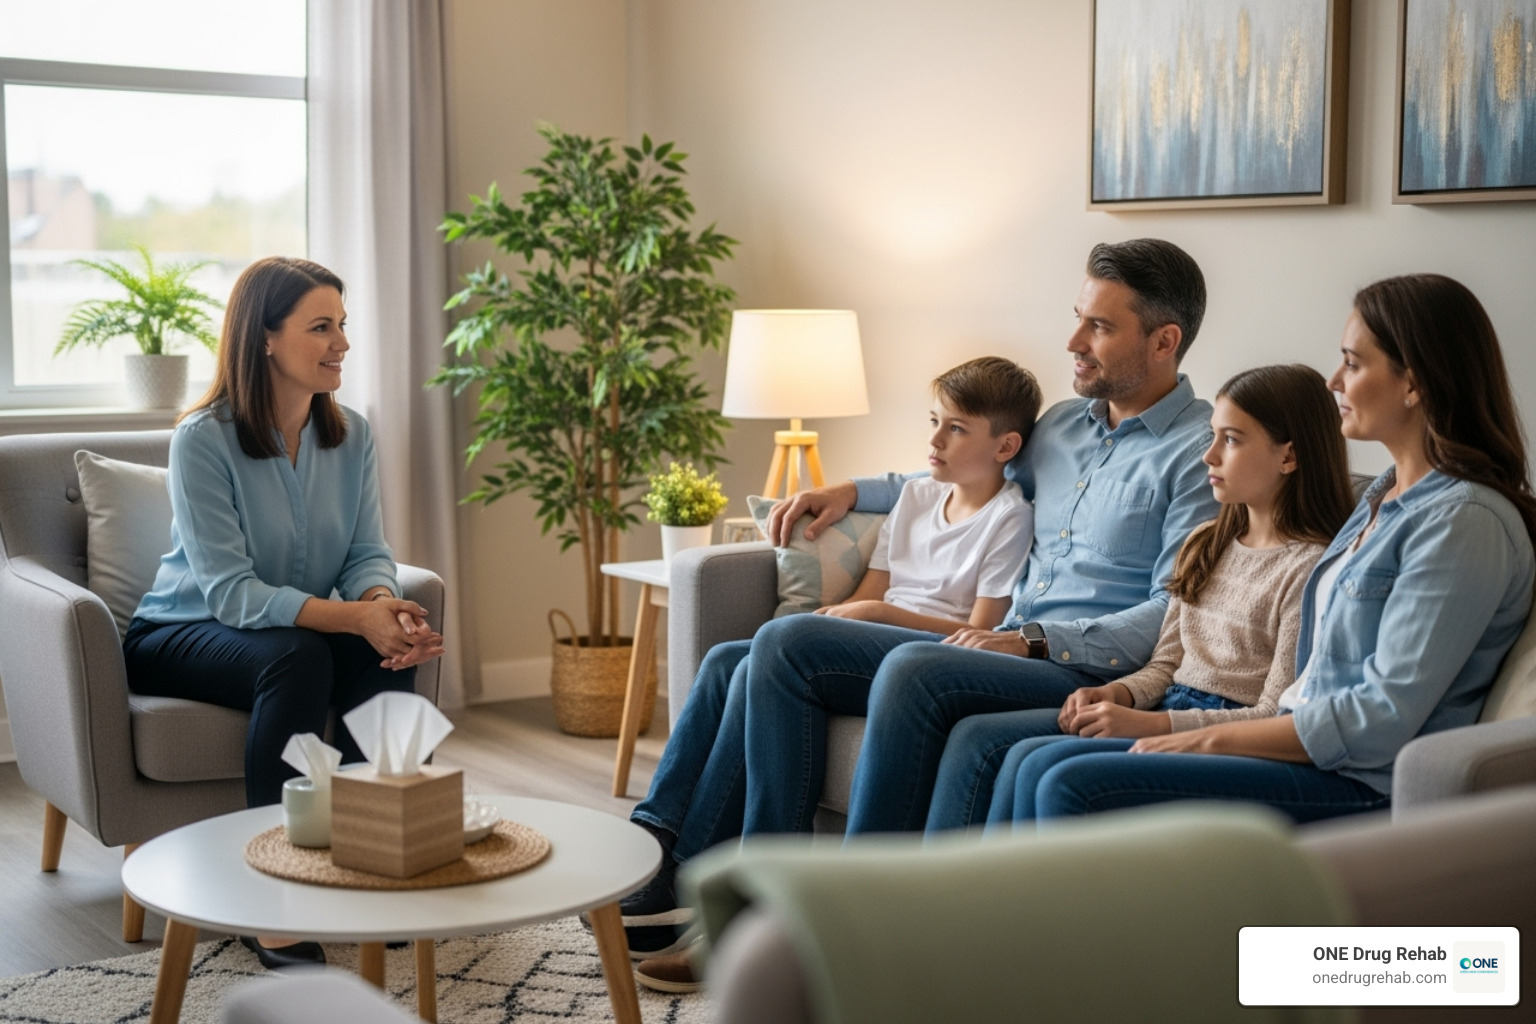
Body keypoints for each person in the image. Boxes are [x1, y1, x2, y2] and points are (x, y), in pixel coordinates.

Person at [622, 238, 1216, 965]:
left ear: (1164, 341)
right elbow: (952, 463)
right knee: (737, 660)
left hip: (1077, 666)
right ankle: (674, 868)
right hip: (1007, 649)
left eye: (1099, 327)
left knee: (811, 647)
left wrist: (1032, 639)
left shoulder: (1202, 451)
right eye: (1078, 319)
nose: (1073, 342)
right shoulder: (1063, 425)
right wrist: (849, 491)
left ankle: (789, 920)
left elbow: (1174, 611)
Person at [999, 273, 1536, 826]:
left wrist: (1205, 741)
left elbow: (1382, 716)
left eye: (1353, 363)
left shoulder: (1463, 521)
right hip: (1291, 743)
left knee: (1069, 781)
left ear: (1413, 384)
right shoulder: (1379, 501)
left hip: (1355, 780)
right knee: (1032, 761)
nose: (1334, 381)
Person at [623, 355, 1043, 966]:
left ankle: (746, 892)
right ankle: (664, 850)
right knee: (726, 663)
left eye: (955, 428)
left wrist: (878, 618)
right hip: (872, 637)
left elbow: (979, 631)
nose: (934, 439)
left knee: (770, 651)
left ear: (1005, 445)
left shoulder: (1010, 517)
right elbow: (873, 588)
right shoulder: (919, 497)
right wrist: (832, 620)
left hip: (929, 651)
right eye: (934, 421)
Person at [122, 257, 444, 969]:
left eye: (343, 326)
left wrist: (380, 607)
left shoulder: (352, 434)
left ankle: (374, 864)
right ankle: (269, 898)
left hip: (285, 632)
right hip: (179, 632)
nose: (343, 344)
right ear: (264, 337)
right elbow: (232, 595)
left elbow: (367, 550)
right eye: (321, 327)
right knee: (300, 655)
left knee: (379, 650)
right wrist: (352, 618)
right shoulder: (203, 438)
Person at [923, 363, 1354, 832]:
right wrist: (1117, 692)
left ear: (1288, 457)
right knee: (1014, 753)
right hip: (1166, 702)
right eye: (1213, 436)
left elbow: (1275, 712)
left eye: (1230, 440)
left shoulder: (1309, 568)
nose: (1208, 456)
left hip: (1227, 726)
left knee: (1046, 770)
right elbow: (1166, 665)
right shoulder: (1205, 544)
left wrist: (1148, 724)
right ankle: (976, 899)